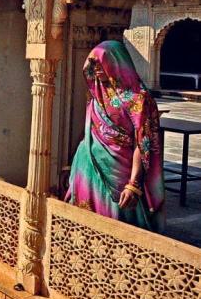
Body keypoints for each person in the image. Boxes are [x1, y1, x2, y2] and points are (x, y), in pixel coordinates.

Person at [65, 40, 164, 232]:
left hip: (119, 173)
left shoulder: (139, 99)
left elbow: (142, 144)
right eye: (93, 64)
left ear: (117, 63)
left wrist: (133, 184)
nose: (96, 69)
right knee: (83, 224)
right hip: (87, 166)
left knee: (116, 225)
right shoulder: (96, 94)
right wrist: (72, 164)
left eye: (100, 63)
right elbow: (90, 130)